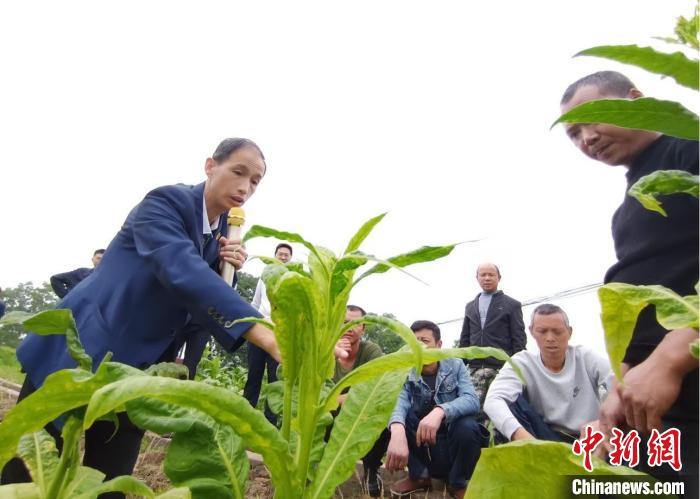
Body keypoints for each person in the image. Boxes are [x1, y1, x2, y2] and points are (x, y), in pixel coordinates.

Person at [2, 138, 280, 496]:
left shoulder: (224, 231)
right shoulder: (164, 203)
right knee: (27, 470)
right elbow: (180, 270)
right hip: (83, 347)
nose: (245, 187)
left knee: (112, 481)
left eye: (255, 181)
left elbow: (198, 305)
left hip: (141, 370)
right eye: (238, 172)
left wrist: (227, 268)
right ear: (211, 166)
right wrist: (266, 335)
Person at [560, 71, 699, 490]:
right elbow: (641, 303)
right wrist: (618, 391)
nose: (586, 138)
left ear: (636, 99)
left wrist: (671, 358)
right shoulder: (627, 212)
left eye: (592, 118)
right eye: (573, 134)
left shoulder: (690, 154)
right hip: (654, 400)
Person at [484, 304, 611, 443]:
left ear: (569, 332)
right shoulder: (522, 362)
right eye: (542, 331)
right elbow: (493, 400)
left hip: (588, 437)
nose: (550, 338)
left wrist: (604, 423)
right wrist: (523, 438)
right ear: (532, 331)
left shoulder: (586, 357)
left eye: (557, 331)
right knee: (513, 404)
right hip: (544, 437)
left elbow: (619, 383)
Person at [386, 320, 484, 499]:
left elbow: (471, 399)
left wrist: (440, 411)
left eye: (424, 341)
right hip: (424, 444)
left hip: (452, 442)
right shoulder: (405, 370)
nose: (419, 347)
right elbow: (399, 403)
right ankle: (420, 476)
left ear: (439, 345)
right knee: (398, 418)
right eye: (413, 342)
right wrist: (397, 429)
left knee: (468, 425)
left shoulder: (455, 365)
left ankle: (457, 482)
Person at [332, 305, 387, 497]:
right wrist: (332, 353)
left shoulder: (371, 351)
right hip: (329, 417)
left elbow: (373, 390)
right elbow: (313, 391)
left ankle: (371, 470)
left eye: (356, 323)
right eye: (345, 322)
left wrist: (335, 399)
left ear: (363, 328)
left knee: (385, 419)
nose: (350, 328)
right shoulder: (325, 352)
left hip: (361, 414)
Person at [458, 263, 526, 417]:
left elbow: (519, 339)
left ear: (499, 278)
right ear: (477, 278)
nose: (487, 278)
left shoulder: (512, 305)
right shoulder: (470, 306)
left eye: (491, 275)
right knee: (474, 414)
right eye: (483, 275)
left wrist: (517, 367)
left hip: (501, 369)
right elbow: (465, 338)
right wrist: (460, 365)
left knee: (503, 413)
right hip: (475, 370)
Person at [243, 242, 293, 422]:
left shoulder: (292, 281)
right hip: (259, 330)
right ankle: (245, 418)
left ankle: (270, 424)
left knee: (275, 380)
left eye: (286, 255)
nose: (283, 257)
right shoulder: (263, 278)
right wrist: (250, 325)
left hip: (280, 334)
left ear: (290, 259)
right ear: (275, 255)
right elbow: (255, 304)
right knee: (253, 375)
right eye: (280, 254)